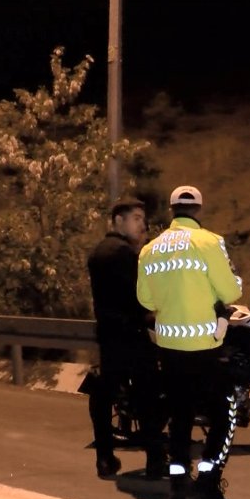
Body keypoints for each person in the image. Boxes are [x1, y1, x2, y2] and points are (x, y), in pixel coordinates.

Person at [136, 185, 244, 499]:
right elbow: (230, 290)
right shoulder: (210, 242)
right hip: (204, 348)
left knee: (180, 415)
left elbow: (146, 300)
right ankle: (207, 486)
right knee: (225, 414)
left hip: (169, 348)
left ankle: (178, 486)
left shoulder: (149, 250)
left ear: (171, 210)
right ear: (198, 210)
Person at [86, 197, 167, 480]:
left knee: (105, 394)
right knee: (148, 395)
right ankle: (156, 458)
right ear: (118, 220)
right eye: (135, 218)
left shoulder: (98, 252)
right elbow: (141, 298)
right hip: (132, 335)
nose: (142, 224)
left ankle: (105, 456)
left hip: (109, 336)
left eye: (142, 219)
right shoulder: (125, 254)